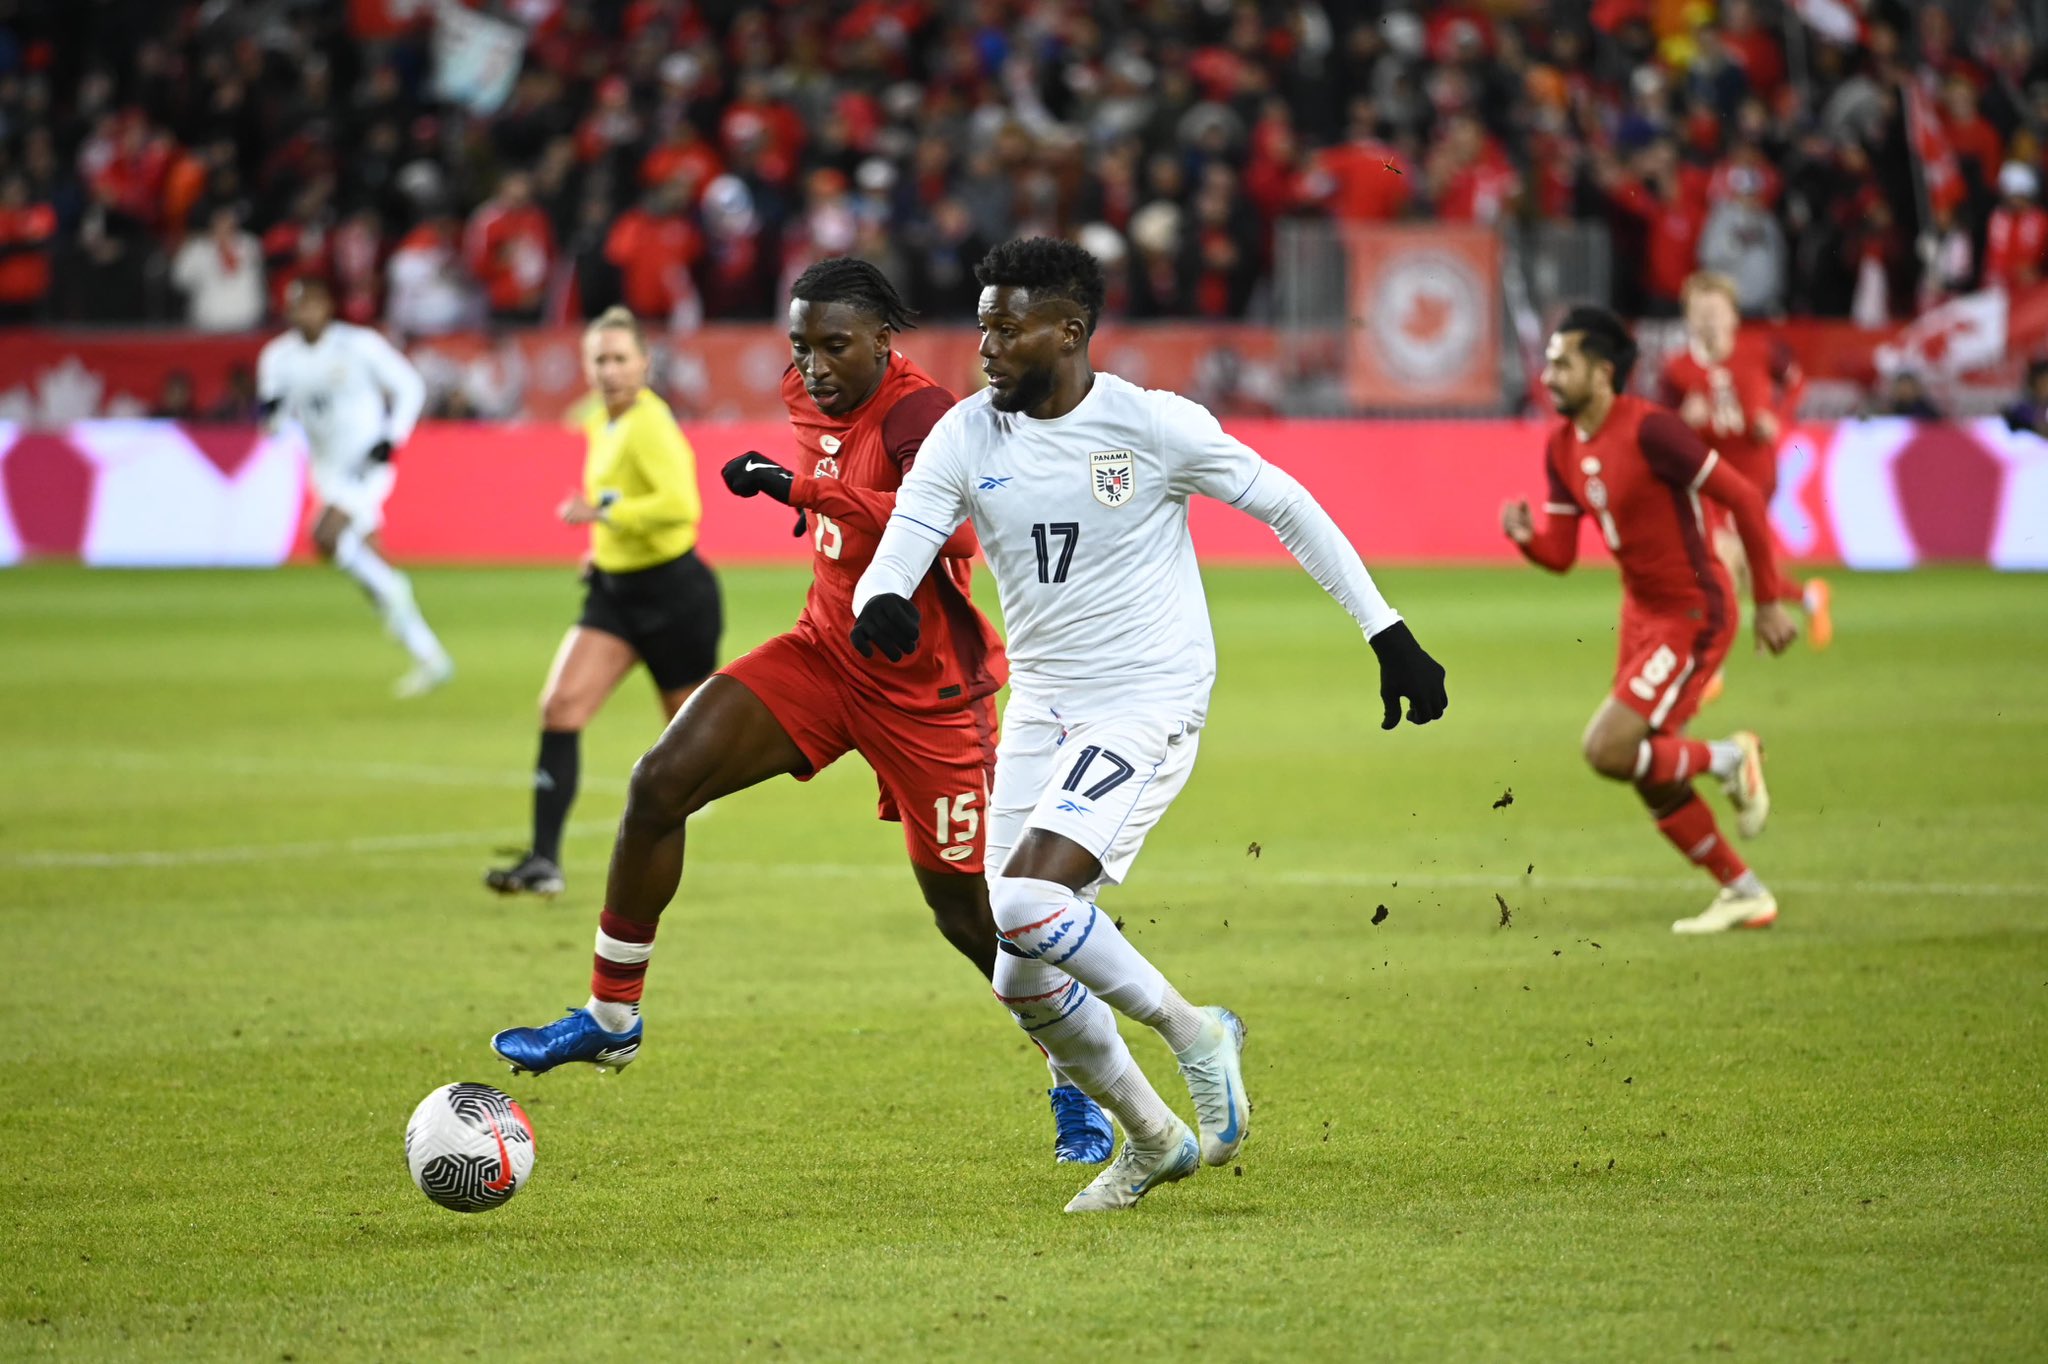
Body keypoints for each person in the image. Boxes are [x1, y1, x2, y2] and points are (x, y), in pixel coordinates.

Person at [849, 238, 1448, 1212]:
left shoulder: (1151, 425)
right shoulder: (967, 434)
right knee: (1019, 973)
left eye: (1008, 324)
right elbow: (910, 531)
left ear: (1069, 330)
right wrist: (883, 596)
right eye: (983, 321)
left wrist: (1386, 631)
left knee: (1023, 903)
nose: (986, 343)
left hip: (1146, 697)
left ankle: (1193, 1029)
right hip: (1042, 705)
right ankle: (1151, 1137)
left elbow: (1286, 504)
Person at [488, 260, 1115, 1167]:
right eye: (801, 345)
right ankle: (610, 1015)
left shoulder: (919, 414)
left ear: (881, 341)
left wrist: (806, 493)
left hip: (928, 696)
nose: (814, 366)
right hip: (823, 655)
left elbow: (961, 526)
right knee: (659, 782)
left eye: (835, 346)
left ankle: (1080, 1084)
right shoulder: (803, 393)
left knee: (975, 917)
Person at [1503, 306, 1799, 937]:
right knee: (1646, 764)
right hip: (1641, 614)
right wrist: (1529, 539)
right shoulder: (1561, 445)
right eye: (1548, 362)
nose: (1549, 375)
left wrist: (1769, 600)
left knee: (1608, 749)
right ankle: (1744, 891)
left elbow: (1744, 497)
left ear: (1604, 372)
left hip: (1693, 611)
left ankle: (1729, 758)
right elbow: (1561, 555)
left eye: (1564, 363)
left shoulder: (1653, 432)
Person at [485, 307, 722, 897]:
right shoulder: (600, 420)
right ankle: (544, 860)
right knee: (560, 707)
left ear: (645, 363)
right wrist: (601, 545)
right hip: (616, 594)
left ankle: (673, 842)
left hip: (674, 597)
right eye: (600, 359)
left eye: (621, 358)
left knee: (689, 743)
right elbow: (620, 496)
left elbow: (680, 506)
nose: (611, 370)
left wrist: (603, 515)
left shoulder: (652, 425)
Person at [257, 277, 451, 697]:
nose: (305, 314)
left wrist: (392, 437)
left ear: (327, 306)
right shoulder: (277, 358)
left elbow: (409, 386)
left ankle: (396, 589)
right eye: (297, 307)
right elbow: (272, 424)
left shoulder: (358, 345)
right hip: (324, 468)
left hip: (366, 461)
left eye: (311, 304)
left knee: (324, 535)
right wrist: (271, 416)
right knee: (368, 565)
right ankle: (430, 656)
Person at [1660, 272, 1834, 676]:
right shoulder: (1677, 370)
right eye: (1699, 312)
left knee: (1723, 557)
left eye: (1716, 311)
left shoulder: (1759, 351)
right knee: (1730, 561)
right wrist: (1682, 420)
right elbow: (1660, 423)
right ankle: (1809, 596)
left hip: (1754, 475)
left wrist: (1776, 416)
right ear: (1688, 319)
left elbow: (1796, 382)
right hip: (1708, 476)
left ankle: (1708, 665)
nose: (1708, 320)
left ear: (1734, 317)